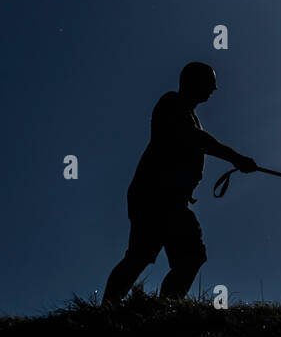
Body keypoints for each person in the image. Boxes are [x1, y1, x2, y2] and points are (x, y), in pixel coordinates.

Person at [102, 62, 256, 304]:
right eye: (209, 83)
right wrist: (235, 158)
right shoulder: (171, 104)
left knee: (186, 256)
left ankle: (165, 307)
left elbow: (197, 141)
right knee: (144, 256)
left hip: (169, 199)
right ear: (192, 82)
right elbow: (197, 140)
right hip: (155, 196)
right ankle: (114, 308)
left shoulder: (186, 113)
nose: (213, 89)